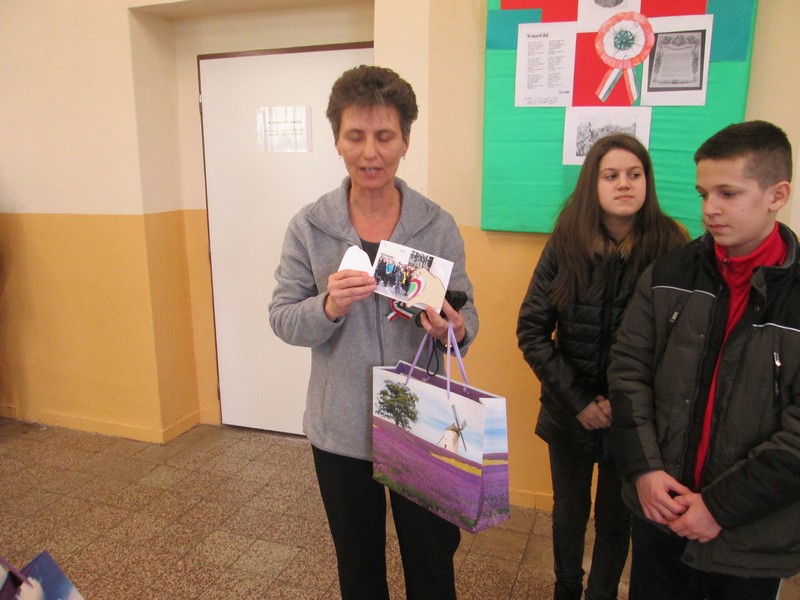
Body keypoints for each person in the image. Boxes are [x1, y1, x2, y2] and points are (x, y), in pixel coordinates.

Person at [268, 65, 478, 600]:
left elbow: (466, 315)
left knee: (432, 567)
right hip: (341, 427)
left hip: (423, 421)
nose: (370, 153)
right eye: (355, 136)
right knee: (359, 569)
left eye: (384, 136)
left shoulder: (436, 224)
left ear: (405, 140)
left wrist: (452, 326)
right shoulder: (310, 226)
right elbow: (283, 317)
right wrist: (329, 306)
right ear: (337, 139)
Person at [608, 120, 800, 600]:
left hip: (748, 536)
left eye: (728, 193)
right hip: (660, 513)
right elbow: (628, 372)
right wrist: (645, 471)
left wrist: (719, 507)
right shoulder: (668, 274)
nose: (710, 209)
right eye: (703, 194)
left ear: (777, 195)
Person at [517, 133, 688, 600]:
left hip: (632, 418)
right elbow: (531, 330)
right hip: (568, 411)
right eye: (611, 175)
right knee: (568, 515)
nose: (624, 184)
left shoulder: (672, 245)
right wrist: (579, 402)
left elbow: (677, 346)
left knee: (617, 520)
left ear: (648, 182)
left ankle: (602, 594)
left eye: (635, 174)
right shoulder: (566, 242)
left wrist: (624, 405)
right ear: (592, 183)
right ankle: (566, 589)